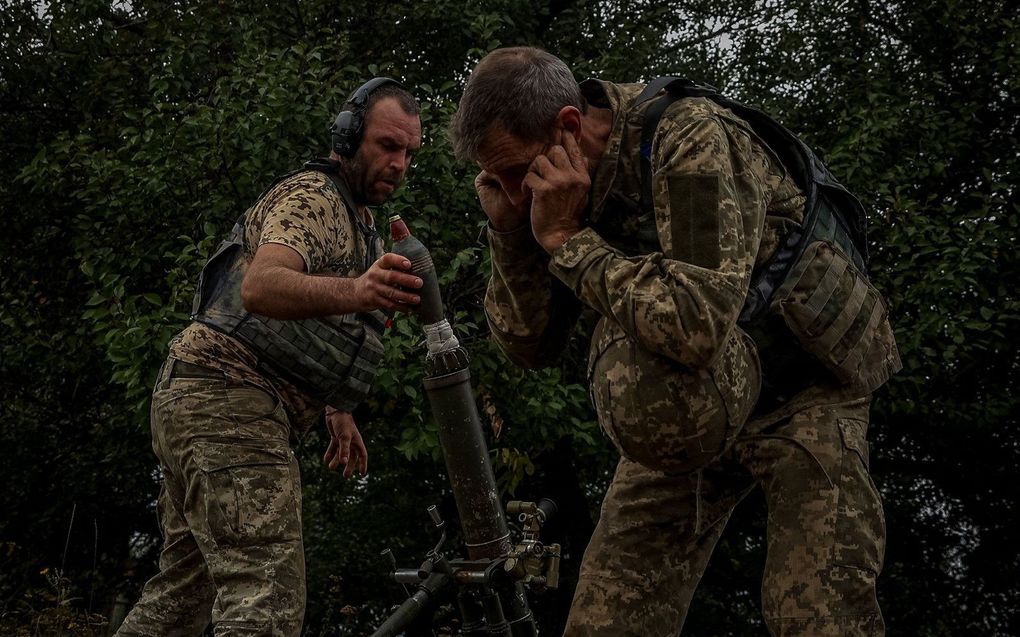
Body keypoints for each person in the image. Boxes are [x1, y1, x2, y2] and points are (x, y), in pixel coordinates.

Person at [449, 47, 901, 636]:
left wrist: (567, 240)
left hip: (803, 390)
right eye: (495, 179)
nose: (515, 193)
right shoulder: (542, 190)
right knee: (606, 620)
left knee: (819, 614)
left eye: (517, 172)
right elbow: (528, 345)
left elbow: (696, 323)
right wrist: (510, 235)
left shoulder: (688, 137)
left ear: (568, 125)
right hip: (682, 406)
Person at [117, 78, 423, 636]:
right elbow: (262, 287)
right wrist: (359, 291)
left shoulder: (360, 223)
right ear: (349, 135)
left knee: (184, 596)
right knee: (267, 594)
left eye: (409, 152)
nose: (399, 163)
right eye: (386, 145)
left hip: (201, 397)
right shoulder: (312, 198)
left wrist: (337, 407)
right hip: (229, 400)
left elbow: (319, 327)